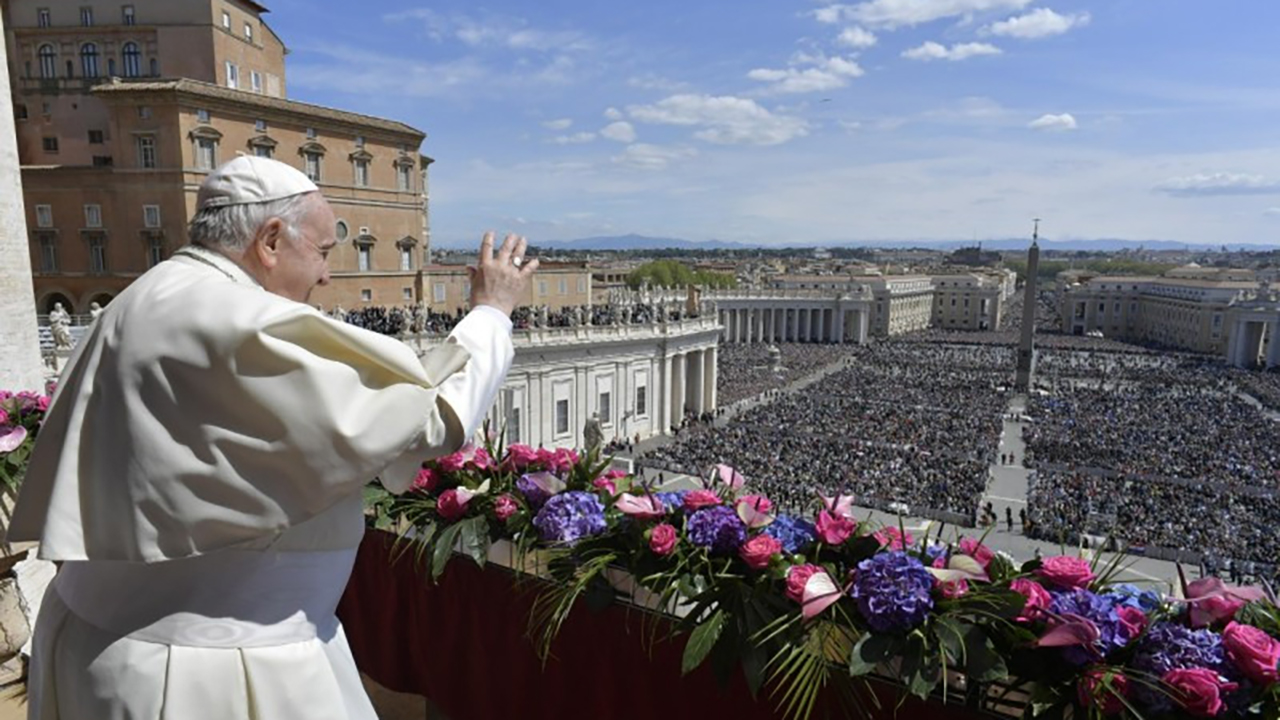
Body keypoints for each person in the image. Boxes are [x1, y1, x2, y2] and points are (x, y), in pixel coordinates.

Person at [8, 156, 539, 720]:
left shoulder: (147, 296)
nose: (328, 276)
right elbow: (429, 419)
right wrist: (492, 313)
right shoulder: (233, 319)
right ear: (270, 240)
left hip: (103, 641)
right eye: (323, 252)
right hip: (207, 673)